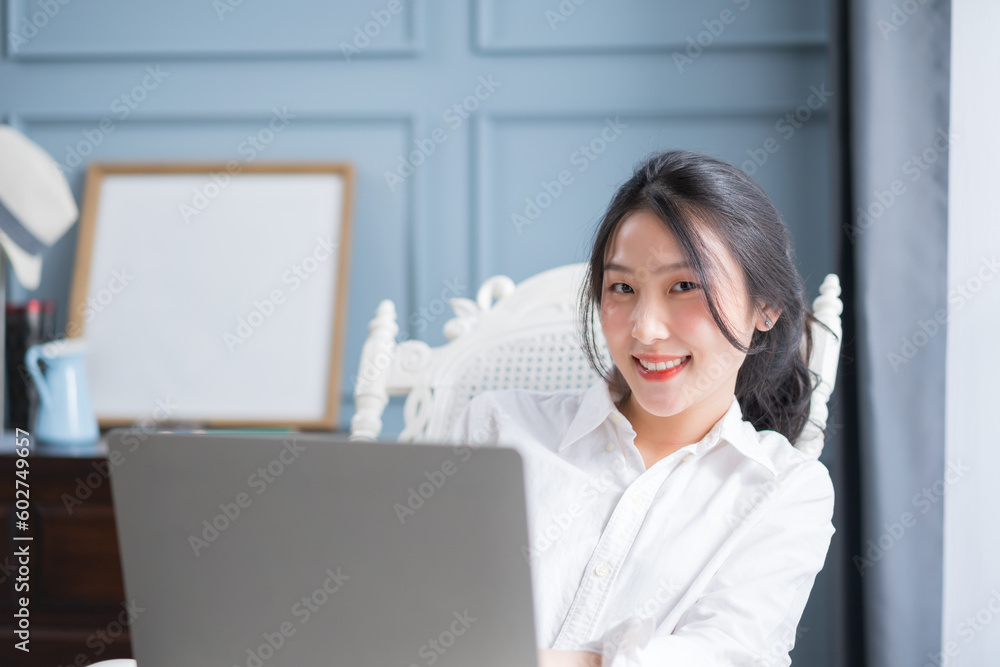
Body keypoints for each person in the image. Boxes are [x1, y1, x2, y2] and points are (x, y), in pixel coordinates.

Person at [446, 150, 836, 666]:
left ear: (764, 307)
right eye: (622, 288)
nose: (645, 329)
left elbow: (725, 656)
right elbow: (410, 606)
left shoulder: (782, 490)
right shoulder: (498, 428)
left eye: (684, 287)